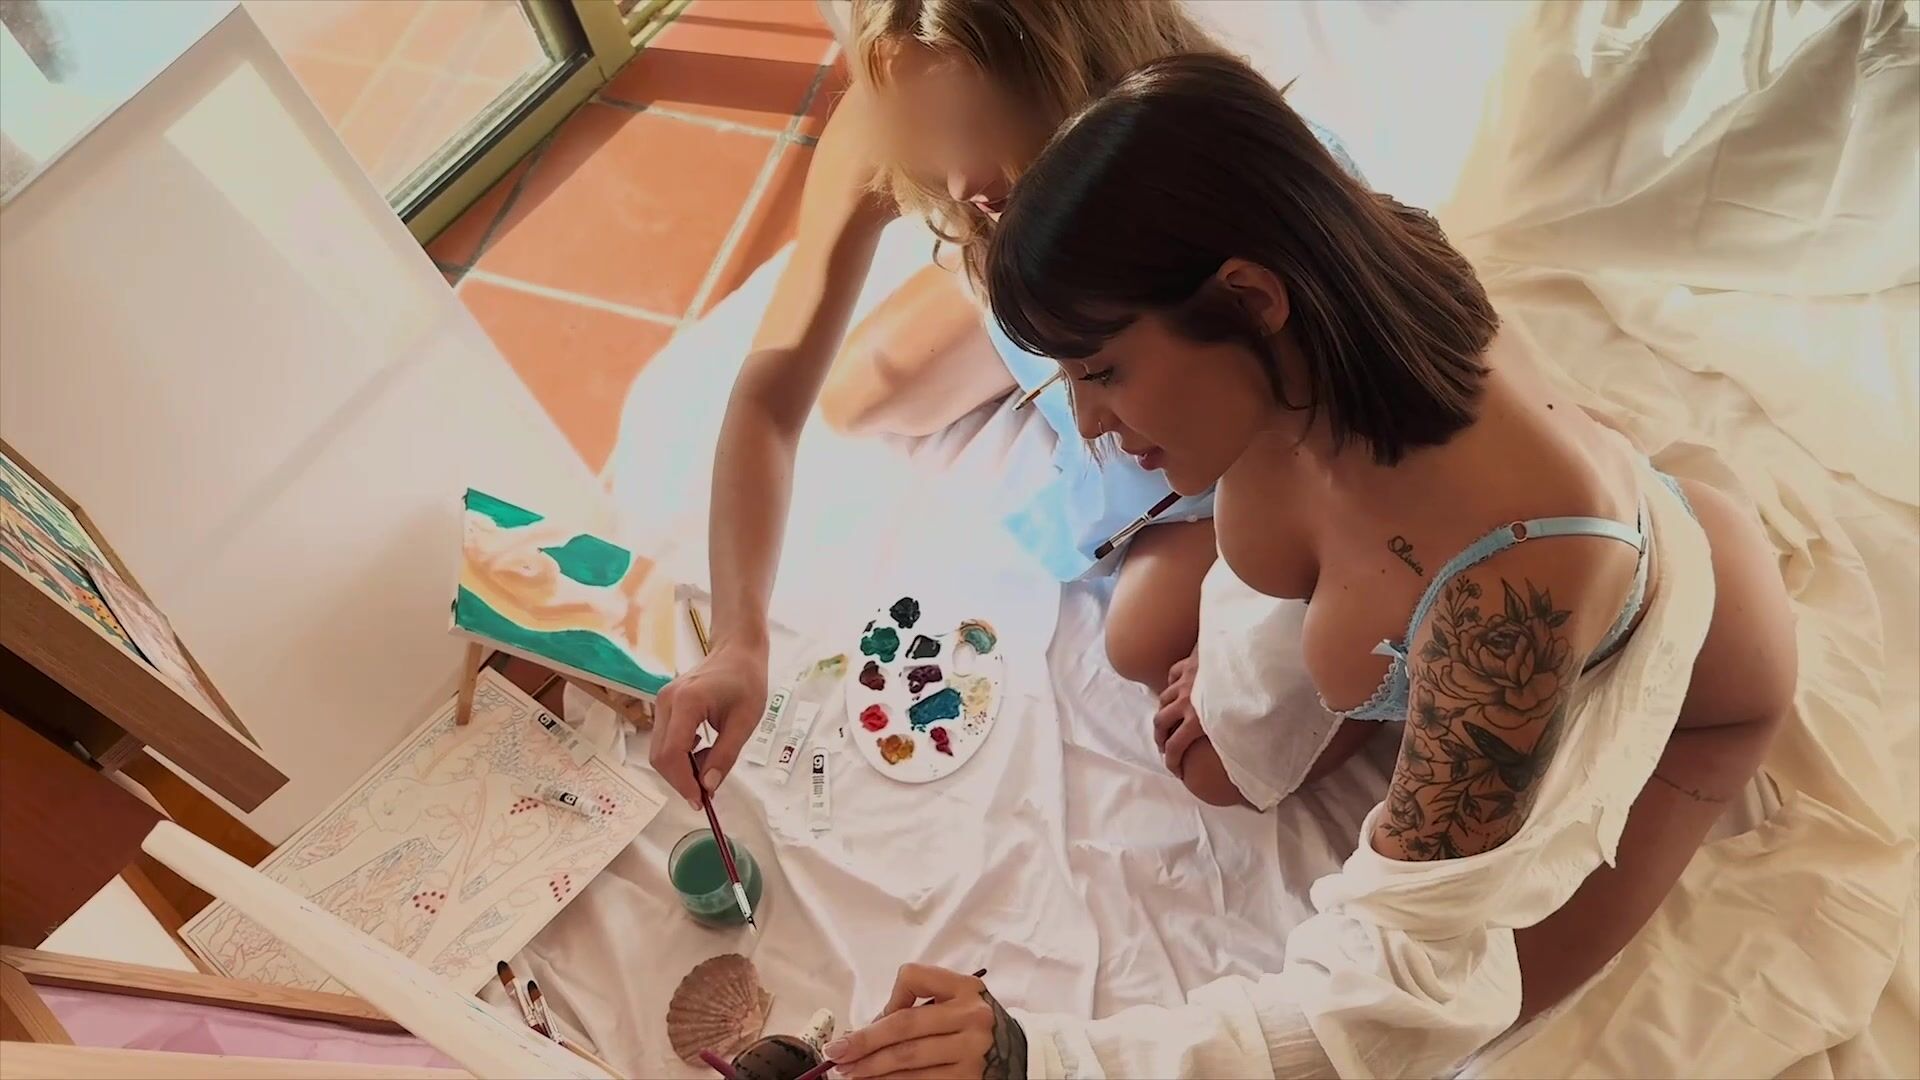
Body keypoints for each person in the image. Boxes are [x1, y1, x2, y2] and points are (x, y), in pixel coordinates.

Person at [824, 53, 1796, 1079]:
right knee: (1183, 706)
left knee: (1473, 1042)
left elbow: (1383, 999)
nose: (1092, 425)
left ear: (1250, 300)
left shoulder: (1509, 600)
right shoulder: (1330, 296)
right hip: (1508, 554)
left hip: (1697, 701)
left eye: (1103, 370)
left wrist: (1038, 1060)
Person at [651, 0, 1363, 808]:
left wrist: (1251, 614)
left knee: (1147, 652)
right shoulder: (918, 114)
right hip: (1074, 309)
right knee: (854, 397)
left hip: (1240, 437)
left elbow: (1332, 418)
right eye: (927, 144)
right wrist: (738, 643)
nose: (958, 185)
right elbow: (772, 397)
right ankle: (1076, 352)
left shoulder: (1202, 167)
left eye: (986, 136)